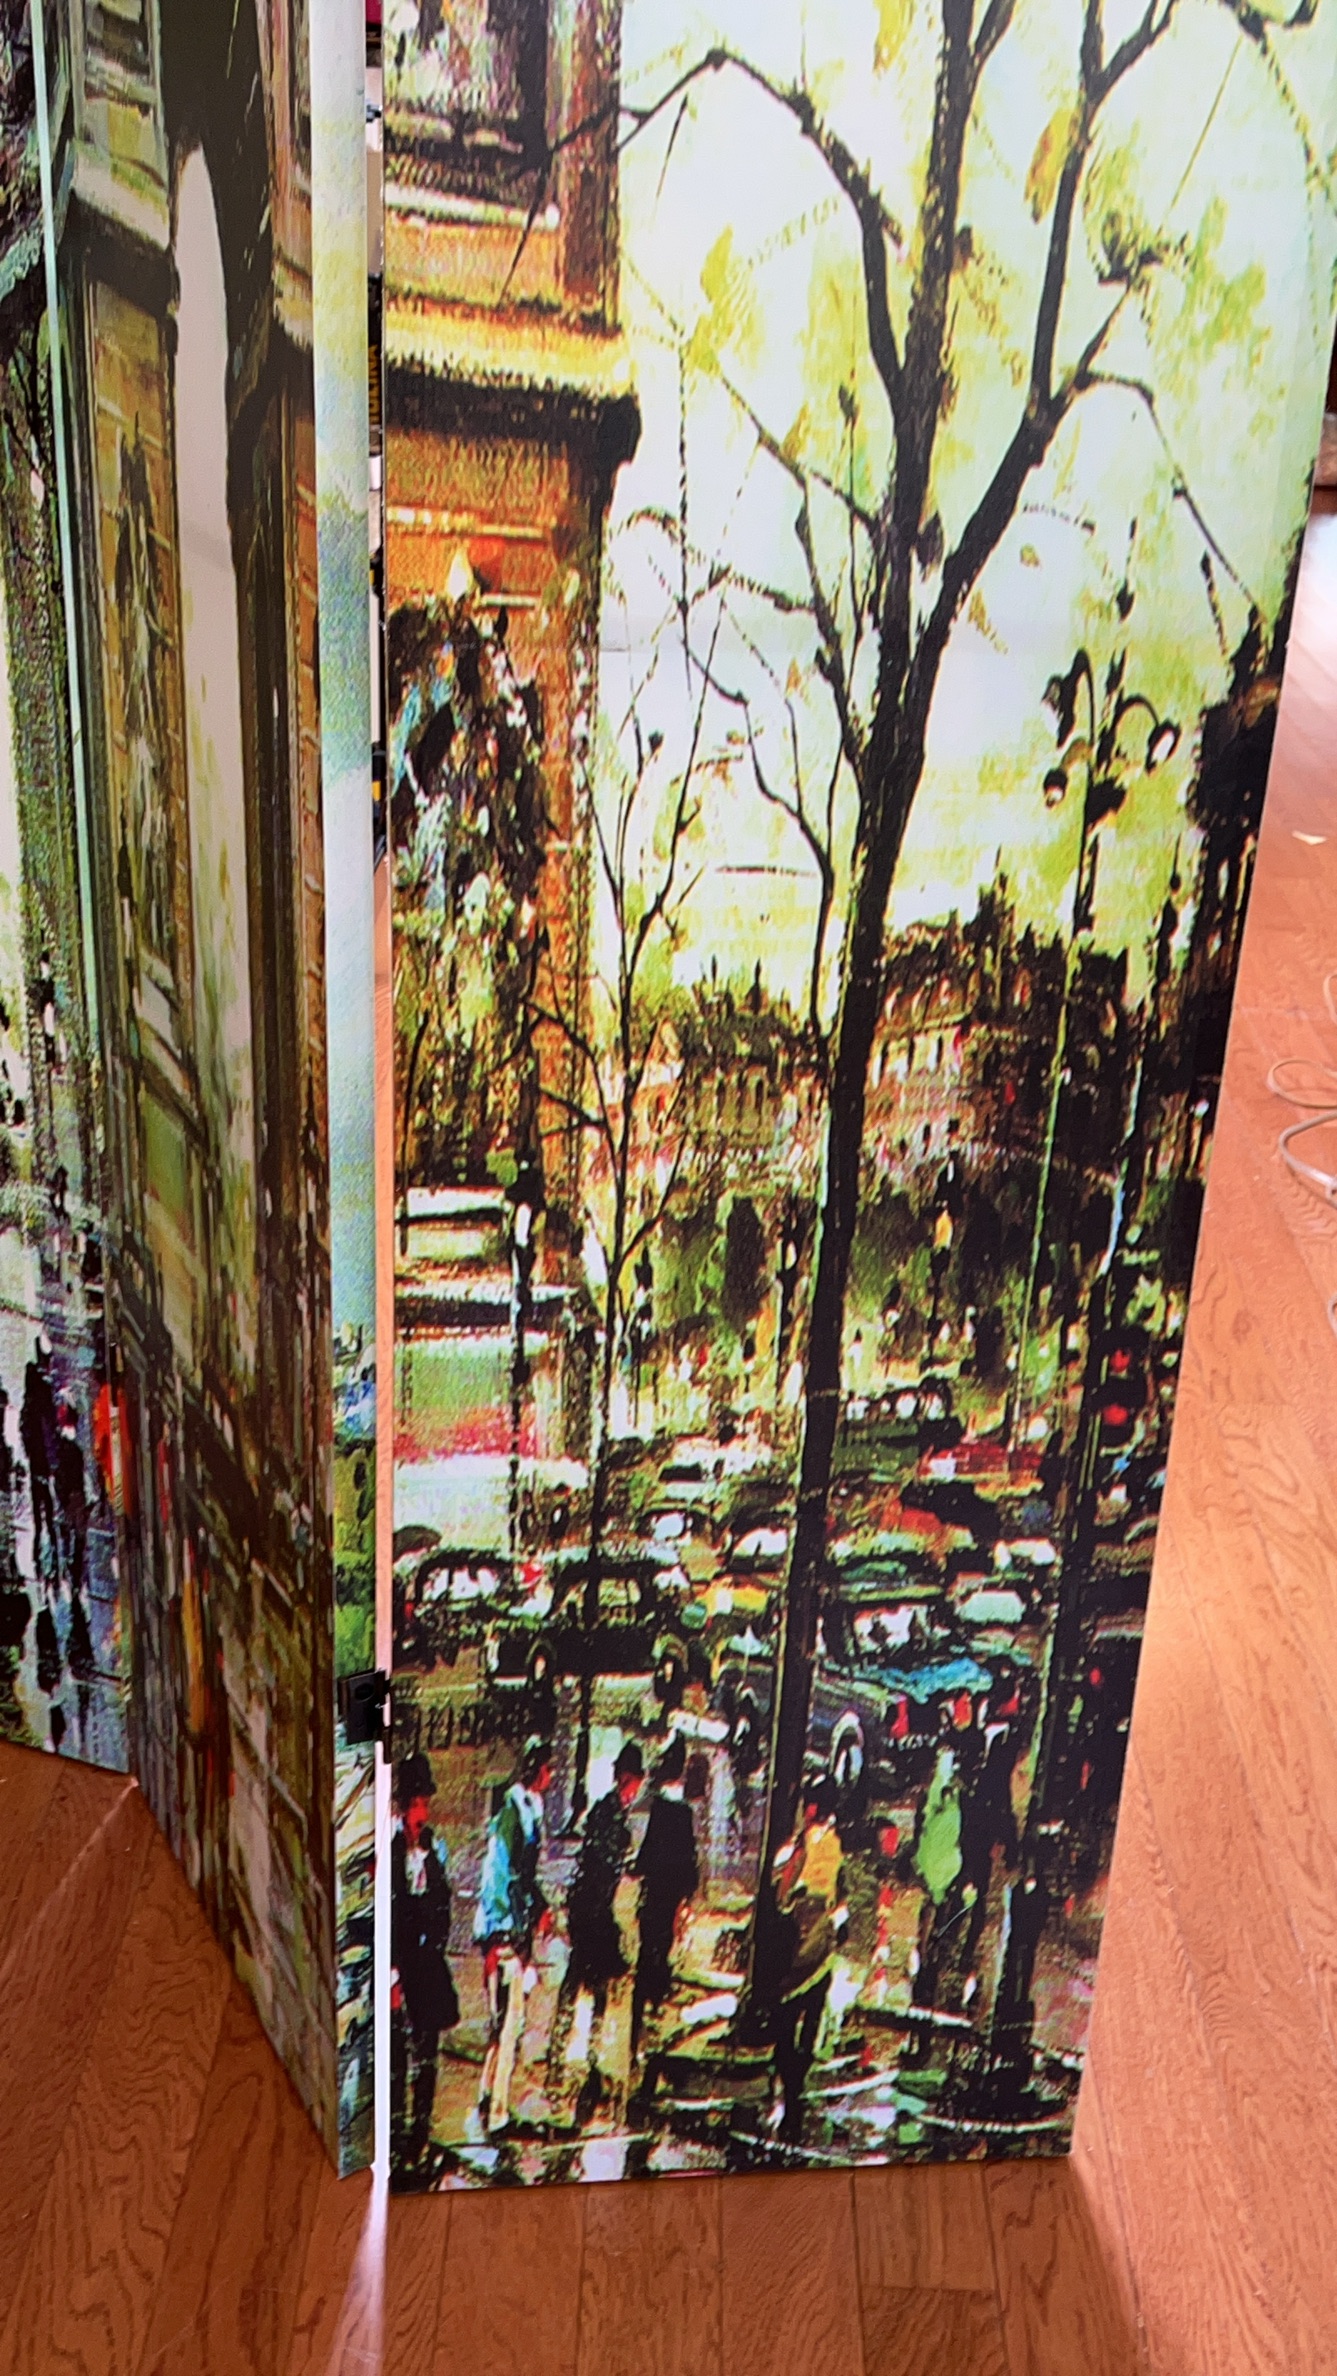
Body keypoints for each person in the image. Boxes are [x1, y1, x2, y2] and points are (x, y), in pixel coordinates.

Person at [549, 1739, 643, 2120]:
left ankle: (573, 2059)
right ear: (627, 1779)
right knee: (585, 1985)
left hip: (593, 1908)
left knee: (584, 1984)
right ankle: (573, 2059)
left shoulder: (610, 1811)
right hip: (593, 1910)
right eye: (633, 1782)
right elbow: (603, 1862)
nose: (634, 1790)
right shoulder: (610, 1814)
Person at [474, 1735, 553, 2137]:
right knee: (509, 2024)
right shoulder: (513, 1813)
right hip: (505, 1929)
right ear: (537, 1771)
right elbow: (501, 1876)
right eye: (548, 1769)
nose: (551, 1776)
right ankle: (499, 2113)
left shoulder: (526, 1808)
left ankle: (487, 2094)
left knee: (504, 2020)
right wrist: (501, 1933)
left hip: (512, 1926)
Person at [767, 1773, 847, 2141]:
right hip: (823, 1944)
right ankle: (796, 2091)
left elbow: (781, 1892)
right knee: (811, 2017)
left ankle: (789, 2092)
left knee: (786, 2016)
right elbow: (841, 1900)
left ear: (812, 1807)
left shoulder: (799, 1847)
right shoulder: (837, 1845)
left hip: (797, 1943)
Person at [390, 1751, 459, 2167]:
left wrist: (436, 1941)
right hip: (402, 1966)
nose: (421, 1813)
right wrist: (393, 1973)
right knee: (400, 2053)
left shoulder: (432, 1848)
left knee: (428, 2051)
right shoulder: (393, 1851)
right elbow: (391, 1911)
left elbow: (442, 1900)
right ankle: (397, 2134)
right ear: (402, 1808)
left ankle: (421, 2130)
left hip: (427, 1962)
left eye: (424, 1804)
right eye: (415, 1805)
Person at [631, 1730, 698, 2053]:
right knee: (661, 1953)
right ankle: (654, 2017)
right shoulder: (684, 1813)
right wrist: (688, 1896)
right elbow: (689, 1861)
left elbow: (646, 1855)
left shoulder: (659, 1809)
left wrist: (635, 1868)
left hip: (654, 1896)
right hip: (670, 1899)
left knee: (647, 1956)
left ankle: (638, 2029)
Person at [20, 1338, 57, 1578]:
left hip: (37, 1458)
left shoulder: (29, 1403)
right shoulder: (42, 1397)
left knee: (39, 1499)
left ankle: (41, 1536)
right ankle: (49, 1534)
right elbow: (49, 1426)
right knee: (46, 1501)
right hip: (42, 1457)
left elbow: (26, 1430)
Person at [53, 1408, 88, 1599]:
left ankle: (70, 1570)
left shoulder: (63, 1449)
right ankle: (74, 1571)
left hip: (70, 1497)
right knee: (77, 1536)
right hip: (75, 1495)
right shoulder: (73, 1450)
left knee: (69, 1534)